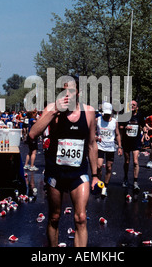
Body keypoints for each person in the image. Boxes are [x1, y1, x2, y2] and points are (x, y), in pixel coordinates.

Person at [28, 77, 98, 247]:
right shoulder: (52, 108)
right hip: (56, 172)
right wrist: (54, 112)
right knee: (54, 216)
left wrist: (95, 175)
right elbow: (32, 134)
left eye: (71, 90)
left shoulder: (88, 112)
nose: (68, 94)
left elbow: (91, 144)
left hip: (78, 172)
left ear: (79, 92)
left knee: (81, 218)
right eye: (64, 90)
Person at [96, 102, 122, 196]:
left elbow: (118, 134)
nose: (107, 115)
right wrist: (94, 137)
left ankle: (105, 187)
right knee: (98, 166)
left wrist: (119, 146)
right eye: (105, 114)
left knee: (109, 167)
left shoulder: (114, 122)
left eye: (108, 114)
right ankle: (99, 184)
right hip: (100, 146)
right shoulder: (97, 120)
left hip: (110, 147)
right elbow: (92, 131)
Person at [119, 100, 145, 191]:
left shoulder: (140, 116)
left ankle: (135, 182)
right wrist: (125, 127)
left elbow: (143, 126)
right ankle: (125, 178)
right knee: (127, 161)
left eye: (134, 105)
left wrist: (145, 133)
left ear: (137, 107)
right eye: (131, 105)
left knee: (135, 161)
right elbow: (120, 127)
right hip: (126, 141)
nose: (132, 106)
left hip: (136, 141)